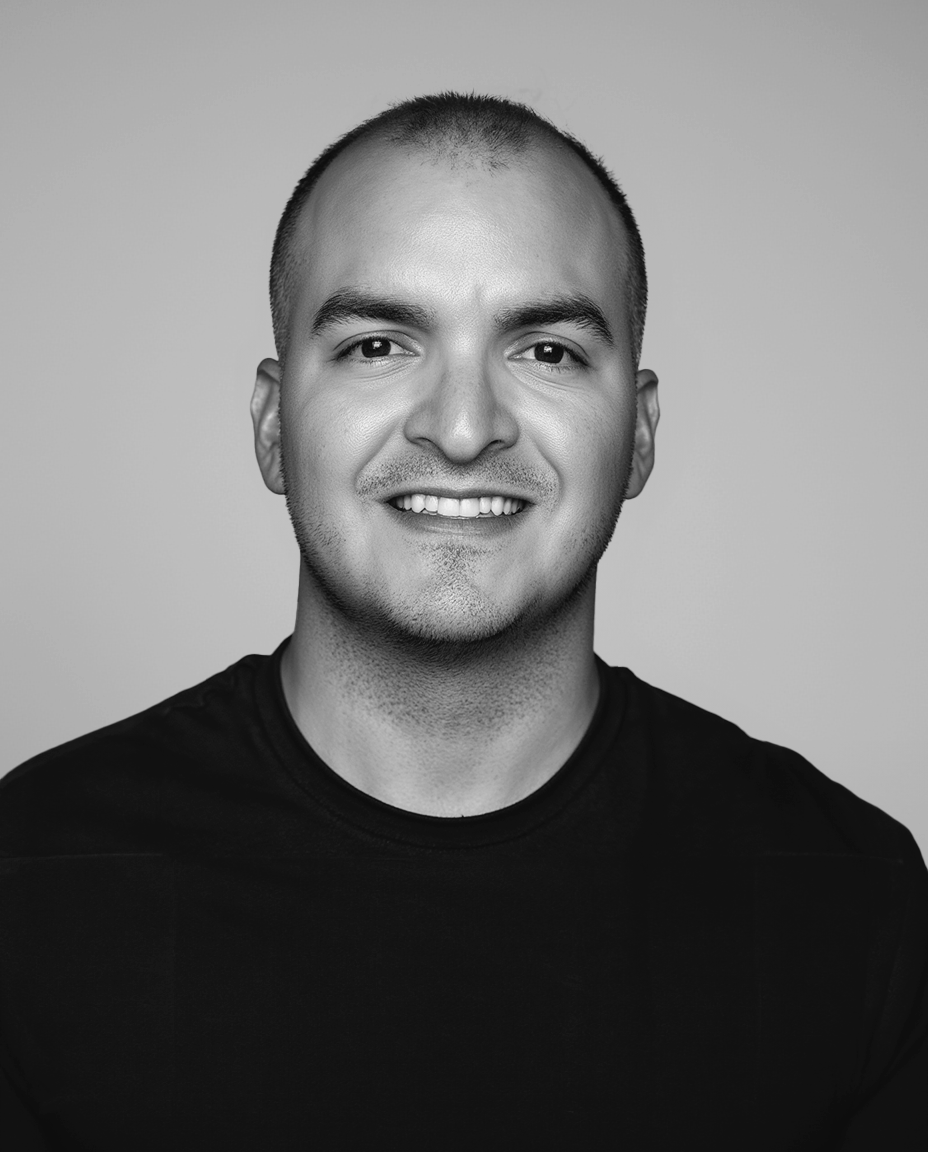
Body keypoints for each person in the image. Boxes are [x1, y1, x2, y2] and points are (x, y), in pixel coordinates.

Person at [1, 92, 925, 1150]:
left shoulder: (851, 903)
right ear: (270, 426)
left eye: (547, 352)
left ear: (637, 436)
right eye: (378, 344)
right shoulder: (31, 881)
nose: (461, 427)